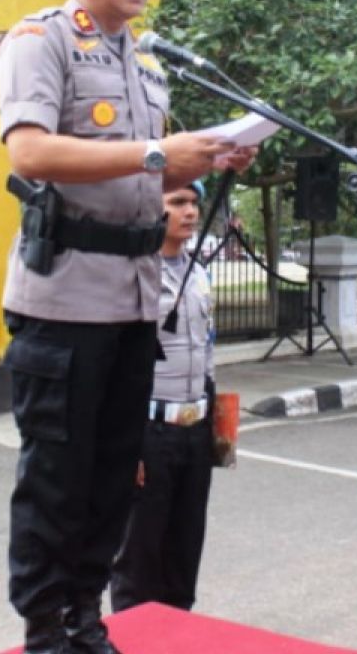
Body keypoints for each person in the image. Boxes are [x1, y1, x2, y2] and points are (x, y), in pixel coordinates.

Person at [0, 0, 253, 654]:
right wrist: (153, 154)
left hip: (136, 299)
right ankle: (47, 627)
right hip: (66, 296)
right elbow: (32, 155)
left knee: (113, 475)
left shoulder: (143, 63)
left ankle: (86, 615)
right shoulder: (40, 41)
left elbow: (155, 163)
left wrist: (210, 156)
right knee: (57, 474)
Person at [111, 182, 216, 613]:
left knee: (184, 552)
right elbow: (115, 365)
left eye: (193, 203)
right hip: (149, 430)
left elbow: (207, 350)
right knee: (139, 559)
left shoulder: (198, 270)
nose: (189, 211)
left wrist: (218, 429)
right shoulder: (134, 273)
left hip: (195, 430)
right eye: (177, 203)